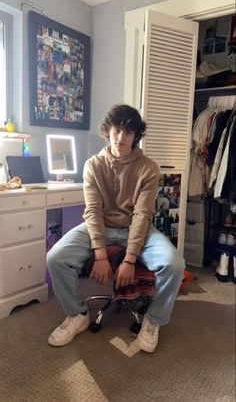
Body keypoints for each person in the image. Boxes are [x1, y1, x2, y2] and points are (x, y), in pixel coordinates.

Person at [47, 104, 185, 353]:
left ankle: (153, 320)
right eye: (117, 130)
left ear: (136, 137)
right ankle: (77, 314)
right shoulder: (93, 165)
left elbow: (142, 215)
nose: (121, 138)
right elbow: (93, 212)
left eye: (129, 133)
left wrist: (130, 259)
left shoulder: (148, 168)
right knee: (56, 257)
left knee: (174, 264)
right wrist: (100, 254)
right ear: (107, 131)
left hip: (136, 228)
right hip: (99, 225)